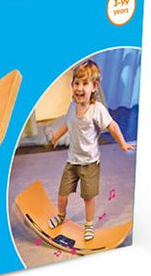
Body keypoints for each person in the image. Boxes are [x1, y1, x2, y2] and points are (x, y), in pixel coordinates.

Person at [48, 59, 135, 241]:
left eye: (85, 84)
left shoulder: (97, 109)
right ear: (72, 85)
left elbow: (112, 126)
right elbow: (67, 124)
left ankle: (88, 225)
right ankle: (61, 215)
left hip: (89, 163)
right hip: (72, 161)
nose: (79, 88)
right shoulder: (72, 106)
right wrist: (56, 137)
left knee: (88, 197)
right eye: (76, 83)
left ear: (94, 86)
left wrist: (122, 143)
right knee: (62, 193)